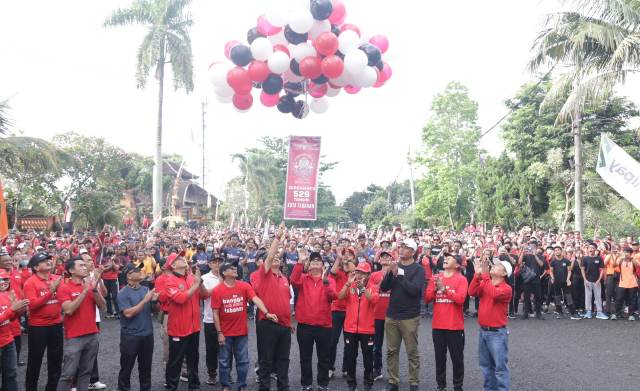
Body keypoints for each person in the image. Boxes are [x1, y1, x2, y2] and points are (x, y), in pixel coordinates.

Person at [212, 262, 276, 391]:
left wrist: (266, 312)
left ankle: (242, 386)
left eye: (235, 267)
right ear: (224, 273)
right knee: (224, 362)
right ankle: (226, 385)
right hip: (225, 333)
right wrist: (219, 332)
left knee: (243, 361)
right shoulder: (217, 290)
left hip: (241, 332)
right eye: (231, 268)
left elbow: (255, 299)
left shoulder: (244, 286)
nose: (235, 269)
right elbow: (215, 313)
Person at [380, 238, 425, 391]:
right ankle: (393, 381)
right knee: (392, 351)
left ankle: (414, 382)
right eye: (400, 246)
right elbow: (384, 288)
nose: (401, 249)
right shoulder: (395, 266)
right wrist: (390, 274)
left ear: (412, 251)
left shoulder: (418, 269)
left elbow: (415, 291)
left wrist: (399, 274)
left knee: (412, 351)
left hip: (410, 316)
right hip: (392, 314)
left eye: (405, 247)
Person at [56, 257, 107, 391]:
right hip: (74, 337)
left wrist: (94, 288)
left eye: (85, 265)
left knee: (86, 373)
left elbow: (103, 306)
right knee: (68, 374)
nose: (85, 267)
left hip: (92, 335)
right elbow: (69, 310)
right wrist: (84, 291)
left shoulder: (90, 286)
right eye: (81, 265)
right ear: (71, 270)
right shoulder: (64, 288)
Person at [161, 253, 209, 391]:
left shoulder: (191, 278)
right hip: (178, 329)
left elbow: (205, 295)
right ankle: (171, 387)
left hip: (194, 327)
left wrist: (200, 283)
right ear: (173, 265)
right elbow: (181, 299)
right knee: (175, 362)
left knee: (193, 359)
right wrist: (196, 283)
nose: (183, 259)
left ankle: (194, 386)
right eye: (179, 258)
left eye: (182, 257)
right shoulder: (169, 280)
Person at [253, 225, 293, 391]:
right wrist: (278, 237)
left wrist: (290, 323)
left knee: (284, 359)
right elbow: (269, 256)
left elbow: (285, 302)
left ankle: (283, 387)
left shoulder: (284, 278)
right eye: (273, 257)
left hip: (284, 325)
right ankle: (264, 388)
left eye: (279, 257)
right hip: (267, 322)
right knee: (266, 359)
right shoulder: (262, 274)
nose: (276, 258)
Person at [290, 250, 337, 391]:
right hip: (305, 326)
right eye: (312, 261)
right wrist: (300, 262)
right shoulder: (303, 278)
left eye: (318, 261)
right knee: (305, 357)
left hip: (324, 326)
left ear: (323, 266)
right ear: (308, 265)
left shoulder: (329, 280)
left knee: (324, 358)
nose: (315, 262)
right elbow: (293, 280)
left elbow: (333, 296)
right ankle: (307, 384)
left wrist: (326, 282)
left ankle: (323, 385)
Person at [424, 253, 468, 391]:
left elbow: (460, 300)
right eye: (446, 257)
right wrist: (435, 288)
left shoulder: (461, 279)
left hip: (455, 327)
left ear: (457, 265)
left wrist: (444, 289)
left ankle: (457, 386)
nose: (446, 259)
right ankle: (441, 386)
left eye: (450, 258)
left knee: (457, 359)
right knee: (439, 358)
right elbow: (426, 299)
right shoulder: (436, 278)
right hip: (438, 326)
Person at [468, 257, 513, 391]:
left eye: (498, 265)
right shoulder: (486, 283)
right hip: (484, 331)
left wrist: (485, 275)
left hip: (497, 333)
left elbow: (493, 294)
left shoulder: (506, 288)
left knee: (499, 368)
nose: (494, 266)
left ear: (505, 273)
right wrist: (477, 275)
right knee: (486, 367)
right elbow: (471, 292)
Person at [23, 252, 64, 391]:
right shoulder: (30, 282)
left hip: (57, 324)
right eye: (44, 260)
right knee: (35, 360)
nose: (48, 261)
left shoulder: (57, 278)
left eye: (49, 259)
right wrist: (50, 291)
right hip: (38, 327)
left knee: (56, 360)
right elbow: (33, 305)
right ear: (35, 267)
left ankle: (52, 388)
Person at [117, 263, 158, 391]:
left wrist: (155, 301)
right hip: (130, 336)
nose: (141, 271)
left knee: (146, 368)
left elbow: (156, 311)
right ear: (129, 275)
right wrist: (145, 300)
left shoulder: (146, 289)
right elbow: (128, 313)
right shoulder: (123, 293)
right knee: (126, 368)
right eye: (137, 270)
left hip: (147, 335)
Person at [338, 262, 378, 391]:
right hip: (350, 328)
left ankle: (368, 383)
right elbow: (340, 297)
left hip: (367, 329)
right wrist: (348, 283)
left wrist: (362, 288)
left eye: (362, 273)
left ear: (368, 275)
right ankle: (351, 383)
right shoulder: (350, 285)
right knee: (350, 356)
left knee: (368, 358)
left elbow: (373, 300)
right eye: (357, 272)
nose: (359, 275)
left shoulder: (373, 287)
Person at [328, 246, 356, 379]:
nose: (346, 256)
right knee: (332, 341)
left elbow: (354, 272)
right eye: (344, 254)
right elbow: (331, 274)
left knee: (349, 342)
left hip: (350, 311)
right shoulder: (338, 271)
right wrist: (339, 258)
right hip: (336, 310)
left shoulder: (355, 272)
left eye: (349, 254)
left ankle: (347, 368)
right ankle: (329, 367)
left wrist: (348, 261)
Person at [0, 268, 29, 391]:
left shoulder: (6, 295)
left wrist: (18, 310)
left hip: (8, 342)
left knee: (11, 375)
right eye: (0, 279)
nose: (3, 282)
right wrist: (12, 310)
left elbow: (10, 319)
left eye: (6, 279)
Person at [369, 250, 392, 381]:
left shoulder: (396, 274)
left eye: (388, 256)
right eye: (383, 256)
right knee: (376, 345)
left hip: (392, 315)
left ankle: (392, 373)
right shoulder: (374, 275)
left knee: (392, 346)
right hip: (376, 314)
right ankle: (377, 370)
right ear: (379, 260)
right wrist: (379, 285)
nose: (385, 258)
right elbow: (370, 292)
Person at [201, 256, 223, 385]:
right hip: (210, 319)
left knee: (227, 348)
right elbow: (205, 295)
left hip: (227, 319)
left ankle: (226, 373)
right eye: (214, 262)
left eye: (219, 261)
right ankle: (212, 373)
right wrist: (220, 285)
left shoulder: (227, 275)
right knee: (211, 349)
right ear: (209, 264)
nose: (217, 264)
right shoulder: (205, 278)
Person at [517, 240, 547, 320]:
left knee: (538, 297)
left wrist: (535, 255)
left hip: (536, 279)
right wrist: (523, 251)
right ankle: (526, 313)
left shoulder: (541, 256)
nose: (532, 248)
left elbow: (541, 264)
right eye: (530, 246)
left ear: (537, 247)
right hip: (527, 279)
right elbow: (519, 263)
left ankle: (538, 313)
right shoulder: (526, 256)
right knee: (526, 297)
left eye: (534, 246)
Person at [549, 245, 581, 320]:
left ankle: (573, 313)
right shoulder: (553, 261)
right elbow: (551, 271)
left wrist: (568, 279)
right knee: (557, 297)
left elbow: (569, 271)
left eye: (558, 250)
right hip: (556, 282)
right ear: (554, 252)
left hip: (565, 282)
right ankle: (560, 312)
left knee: (568, 297)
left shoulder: (566, 261)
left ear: (561, 251)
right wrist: (553, 278)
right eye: (555, 250)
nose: (557, 251)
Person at [580, 243, 608, 319]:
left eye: (592, 248)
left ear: (595, 249)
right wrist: (585, 280)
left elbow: (602, 270)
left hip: (597, 281)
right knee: (588, 297)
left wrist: (599, 280)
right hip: (588, 281)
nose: (590, 249)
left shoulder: (599, 258)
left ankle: (599, 312)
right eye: (589, 248)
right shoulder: (585, 258)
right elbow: (582, 269)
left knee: (598, 297)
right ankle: (588, 312)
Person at [611, 247, 639, 321]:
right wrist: (617, 256)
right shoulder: (620, 260)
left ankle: (631, 314)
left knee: (632, 300)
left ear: (630, 253)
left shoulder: (634, 260)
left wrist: (631, 258)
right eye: (625, 252)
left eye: (627, 252)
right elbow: (614, 265)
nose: (626, 254)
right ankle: (617, 313)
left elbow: (637, 265)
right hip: (622, 283)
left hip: (632, 283)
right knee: (619, 299)